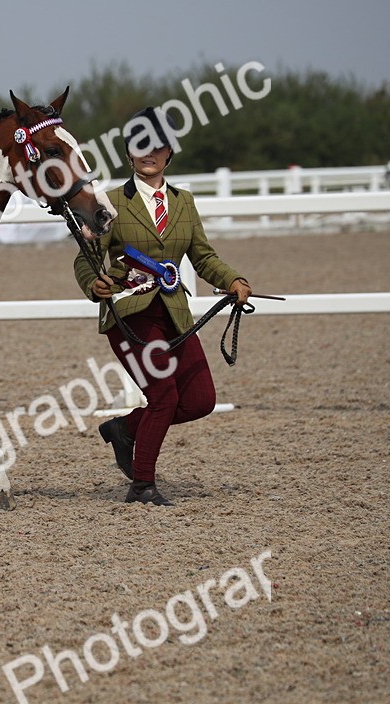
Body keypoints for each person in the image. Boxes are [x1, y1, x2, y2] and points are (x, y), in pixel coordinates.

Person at [74, 107, 252, 506]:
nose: (148, 153)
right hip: (130, 315)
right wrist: (93, 282)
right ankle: (142, 485)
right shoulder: (111, 202)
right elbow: (86, 257)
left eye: (156, 145)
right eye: (139, 145)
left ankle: (124, 429)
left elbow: (202, 256)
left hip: (173, 313)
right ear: (128, 153)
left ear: (169, 152)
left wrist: (233, 280)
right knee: (164, 396)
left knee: (200, 400)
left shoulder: (184, 203)